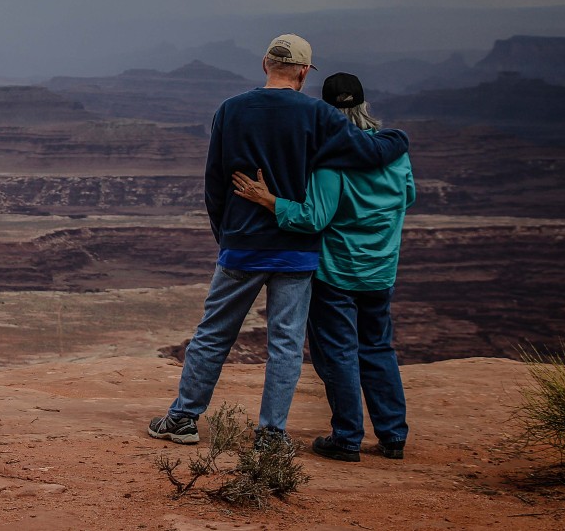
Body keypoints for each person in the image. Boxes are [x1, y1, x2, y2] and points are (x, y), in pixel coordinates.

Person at [148, 36, 410, 446]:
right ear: (304, 72)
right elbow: (366, 151)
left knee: (213, 333)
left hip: (242, 244)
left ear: (265, 62)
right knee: (285, 344)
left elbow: (215, 181)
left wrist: (226, 234)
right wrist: (400, 139)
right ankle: (271, 433)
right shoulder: (317, 114)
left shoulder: (230, 110)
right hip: (295, 250)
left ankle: (183, 418)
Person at [231, 72, 413, 462]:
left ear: (326, 112)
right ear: (364, 105)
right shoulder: (395, 153)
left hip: (338, 274)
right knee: (379, 347)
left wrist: (270, 201)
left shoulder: (331, 161)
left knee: (341, 354)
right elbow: (407, 196)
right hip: (381, 270)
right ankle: (393, 436)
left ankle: (347, 437)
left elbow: (314, 218)